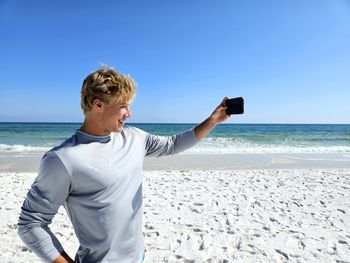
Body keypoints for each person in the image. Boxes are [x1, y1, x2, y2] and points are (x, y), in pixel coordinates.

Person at [17, 66, 231, 263]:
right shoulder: (63, 159)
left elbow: (173, 145)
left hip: (139, 258)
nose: (129, 114)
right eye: (123, 106)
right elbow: (31, 224)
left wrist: (212, 120)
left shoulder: (134, 137)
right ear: (98, 105)